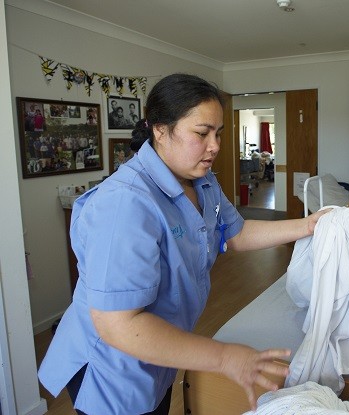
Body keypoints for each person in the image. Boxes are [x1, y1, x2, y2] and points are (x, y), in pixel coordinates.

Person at [38, 73, 330, 415]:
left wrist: (308, 225)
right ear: (160, 130)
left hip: (158, 350)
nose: (216, 146)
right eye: (202, 133)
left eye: (218, 133)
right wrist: (223, 357)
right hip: (114, 366)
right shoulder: (124, 204)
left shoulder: (202, 182)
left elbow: (234, 234)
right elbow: (119, 325)